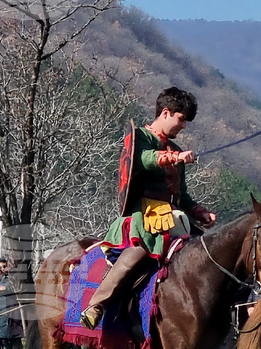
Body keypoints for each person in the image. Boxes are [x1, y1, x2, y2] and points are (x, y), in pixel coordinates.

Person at [81, 87, 216, 329]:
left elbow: (181, 195)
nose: (183, 126)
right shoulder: (140, 137)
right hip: (141, 215)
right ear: (166, 112)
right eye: (181, 119)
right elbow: (142, 160)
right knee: (143, 250)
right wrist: (173, 158)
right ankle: (96, 305)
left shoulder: (175, 149)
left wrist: (199, 211)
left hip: (171, 215)